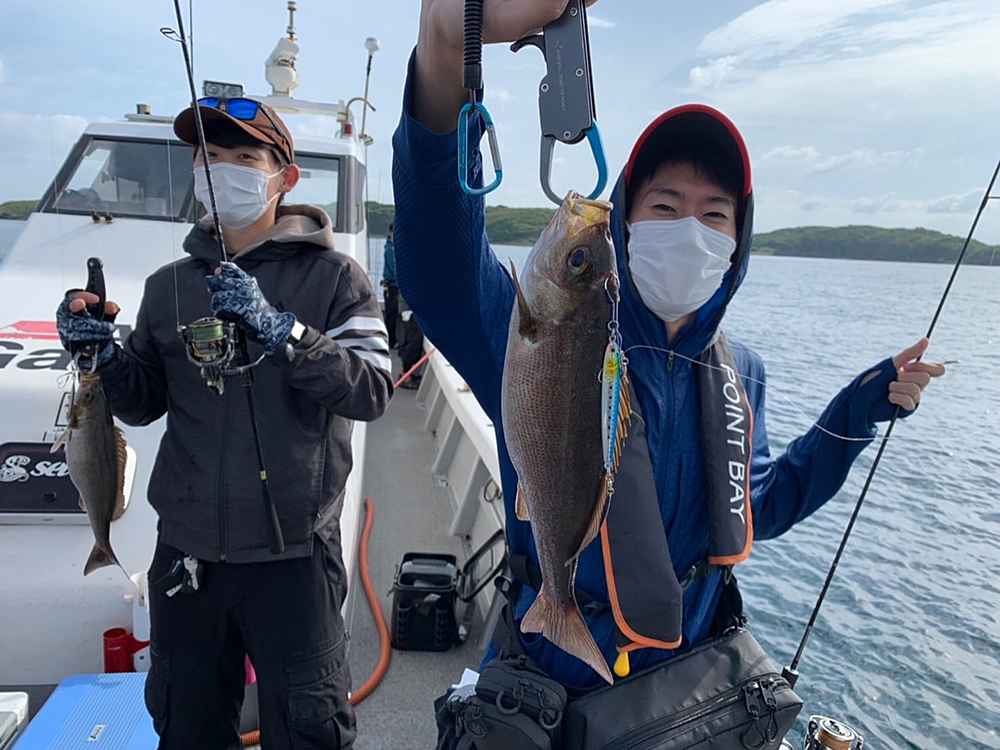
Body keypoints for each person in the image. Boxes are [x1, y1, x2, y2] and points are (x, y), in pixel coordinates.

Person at [392, 0, 945, 694]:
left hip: (682, 694)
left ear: (738, 241)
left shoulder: (741, 373)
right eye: (664, 206)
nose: (689, 229)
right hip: (553, 684)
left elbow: (762, 504)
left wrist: (854, 413)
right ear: (625, 223)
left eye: (714, 214)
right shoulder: (542, 325)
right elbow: (438, 262)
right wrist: (447, 49)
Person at [56, 97, 392, 749]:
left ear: (284, 178)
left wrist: (281, 330)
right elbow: (142, 402)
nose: (223, 170)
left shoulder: (336, 278)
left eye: (244, 157)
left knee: (309, 729)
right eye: (210, 157)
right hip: (186, 556)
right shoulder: (168, 287)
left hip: (293, 558)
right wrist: (101, 356)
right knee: (186, 724)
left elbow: (372, 390)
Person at [382, 222, 400, 349]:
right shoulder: (391, 249)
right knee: (391, 315)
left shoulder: (389, 246)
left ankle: (390, 341)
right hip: (392, 286)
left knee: (390, 314)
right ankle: (391, 342)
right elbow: (395, 270)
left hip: (390, 286)